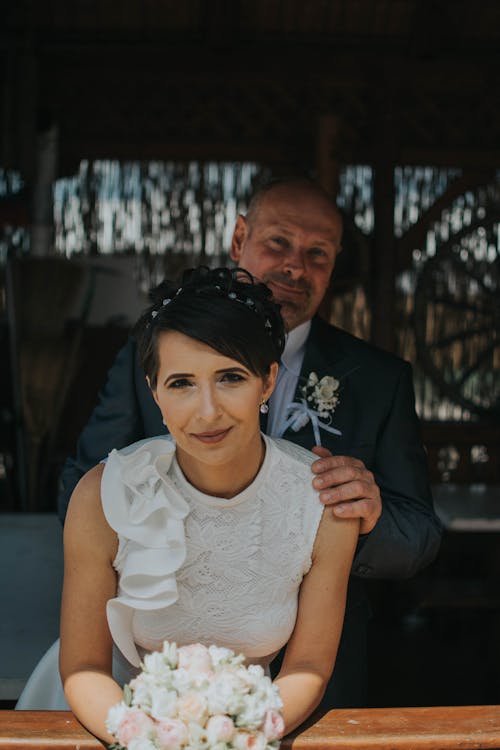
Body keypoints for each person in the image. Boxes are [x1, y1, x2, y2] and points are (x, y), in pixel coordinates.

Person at [57, 176, 442, 708]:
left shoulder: (378, 379)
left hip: (317, 673)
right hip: (148, 658)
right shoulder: (154, 348)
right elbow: (81, 490)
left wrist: (363, 517)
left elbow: (420, 534)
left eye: (317, 254)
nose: (294, 266)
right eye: (278, 243)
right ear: (240, 240)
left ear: (266, 379)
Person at [55, 266, 360, 743]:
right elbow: (84, 668)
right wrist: (148, 740)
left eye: (230, 377)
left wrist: (236, 738)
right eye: (181, 383)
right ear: (154, 391)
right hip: (110, 722)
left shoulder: (320, 503)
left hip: (257, 730)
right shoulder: (103, 496)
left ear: (267, 381)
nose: (207, 411)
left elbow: (307, 667)